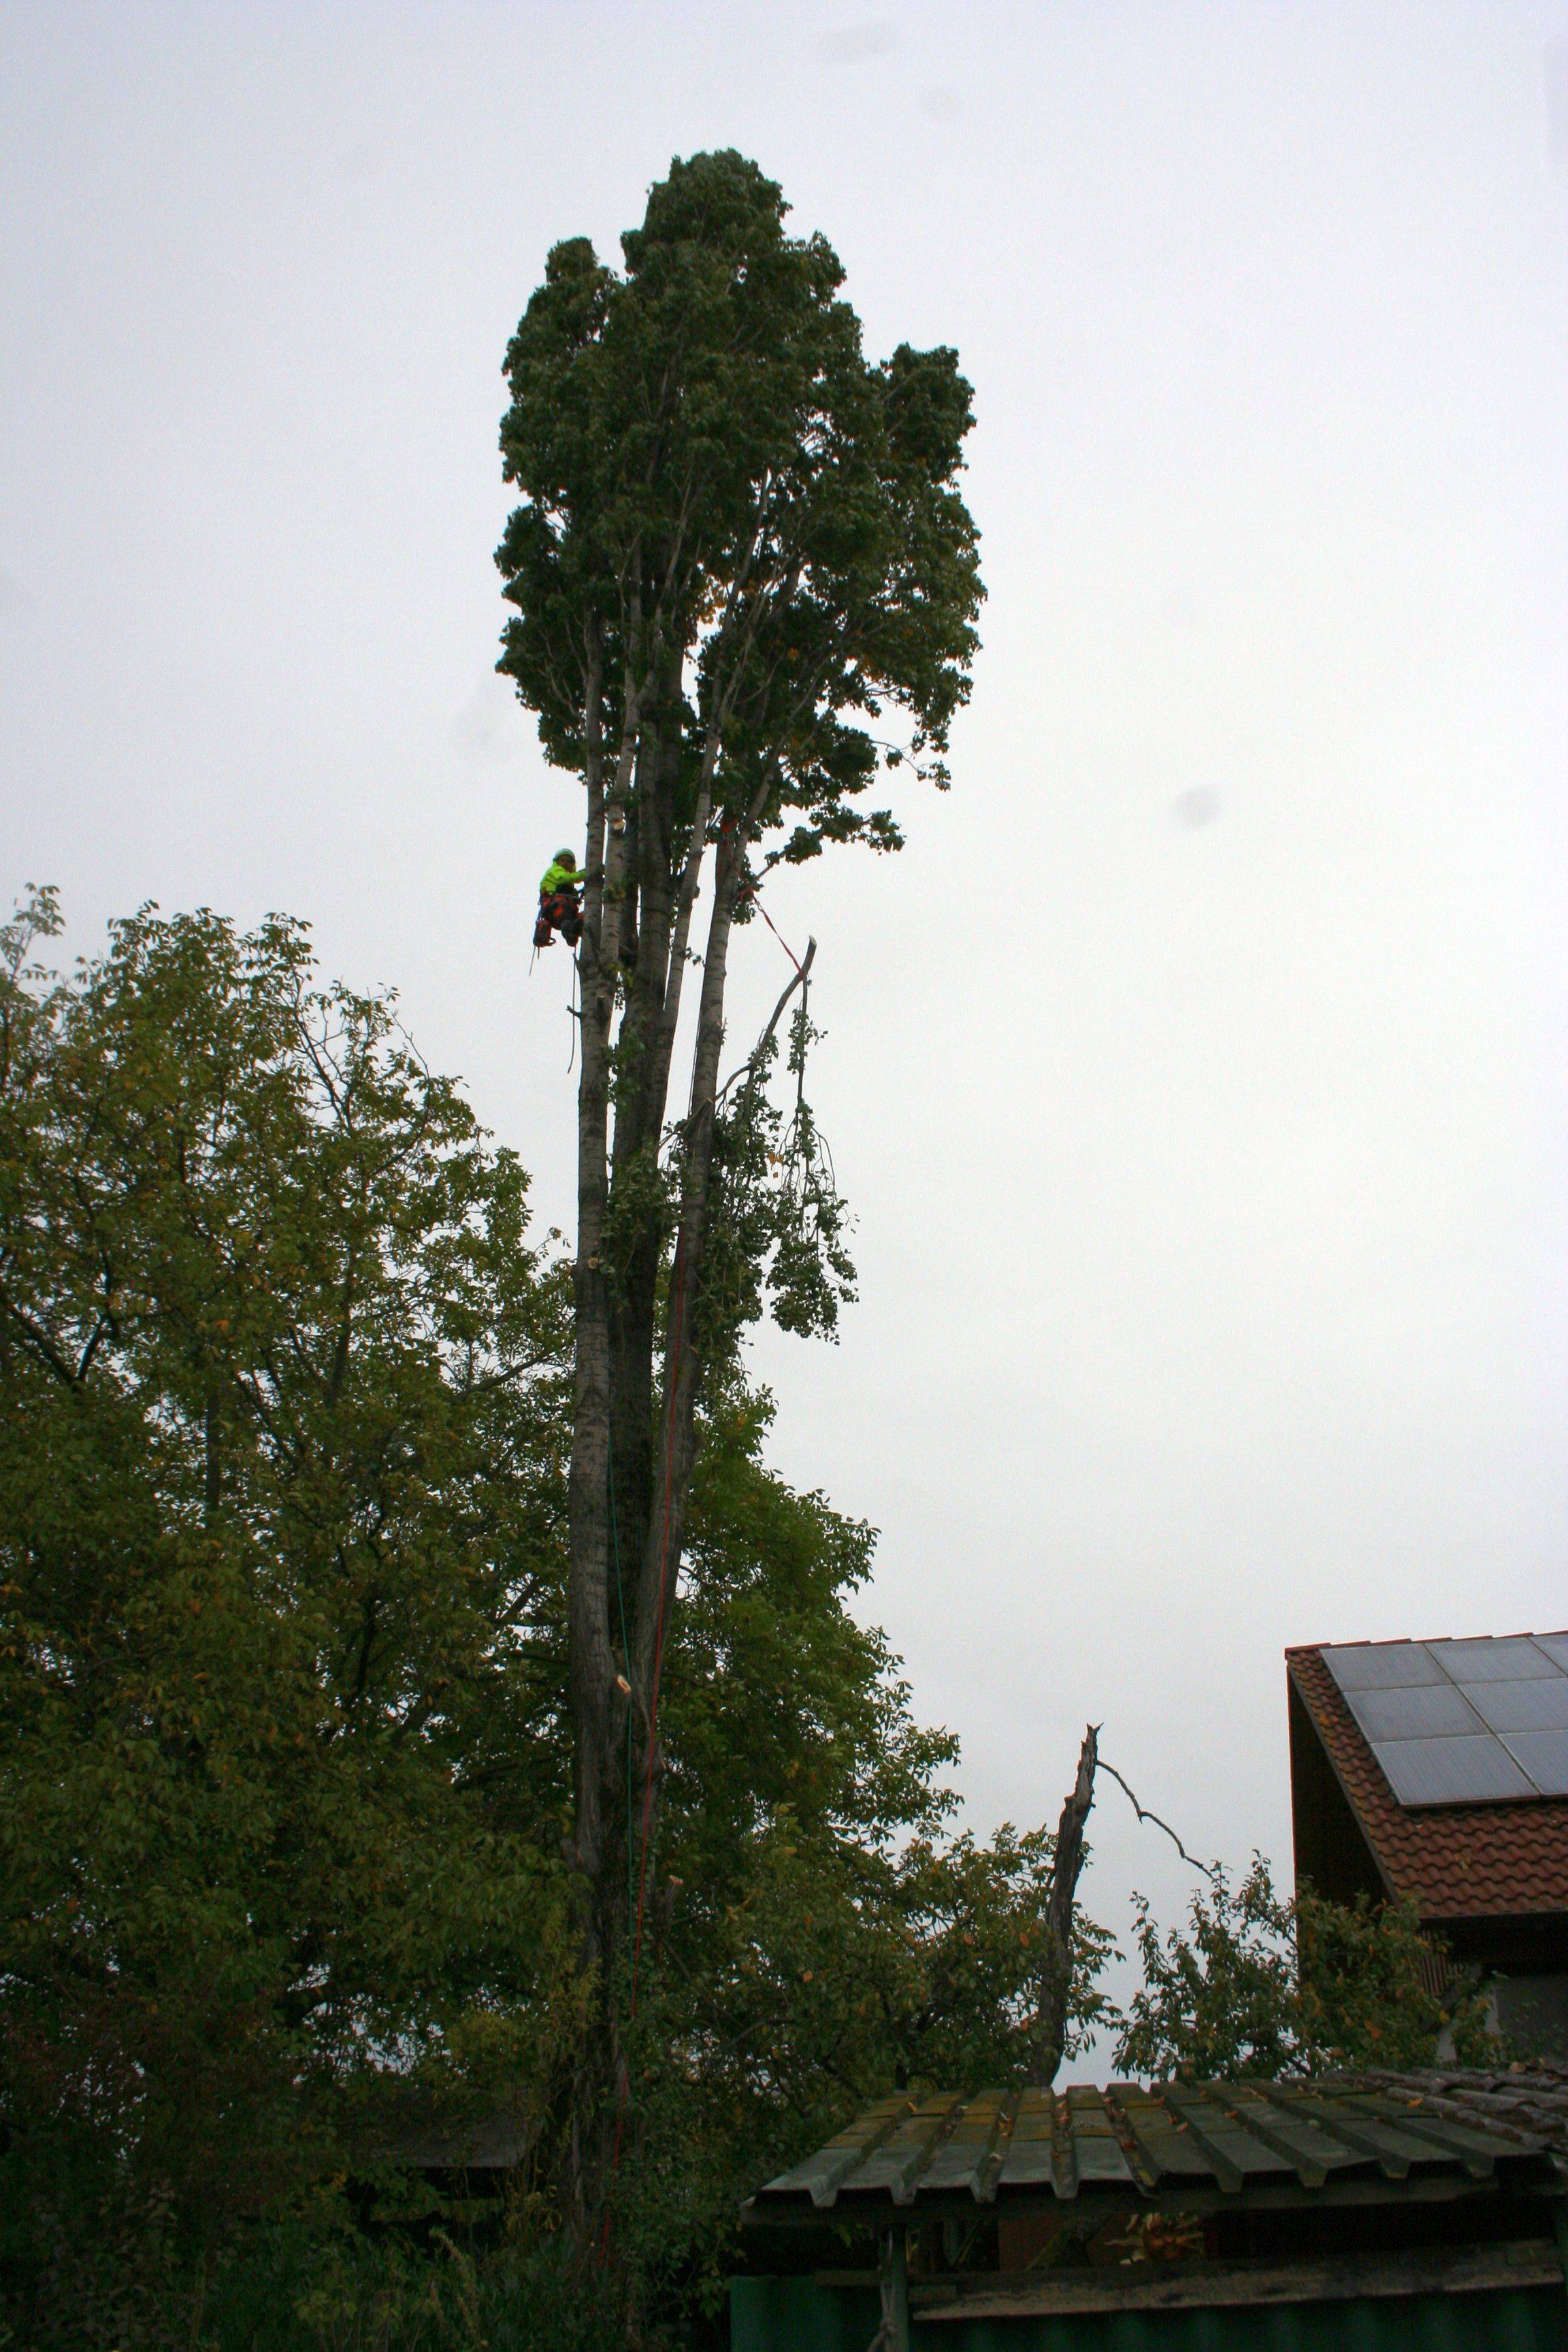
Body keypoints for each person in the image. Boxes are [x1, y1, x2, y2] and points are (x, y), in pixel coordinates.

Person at [535, 848, 583, 949]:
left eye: (569, 861)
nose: (566, 863)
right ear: (557, 862)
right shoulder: (555, 871)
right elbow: (563, 878)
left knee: (582, 918)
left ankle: (575, 933)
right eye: (563, 860)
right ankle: (571, 934)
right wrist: (586, 874)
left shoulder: (570, 881)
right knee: (564, 915)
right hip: (554, 906)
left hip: (565, 911)